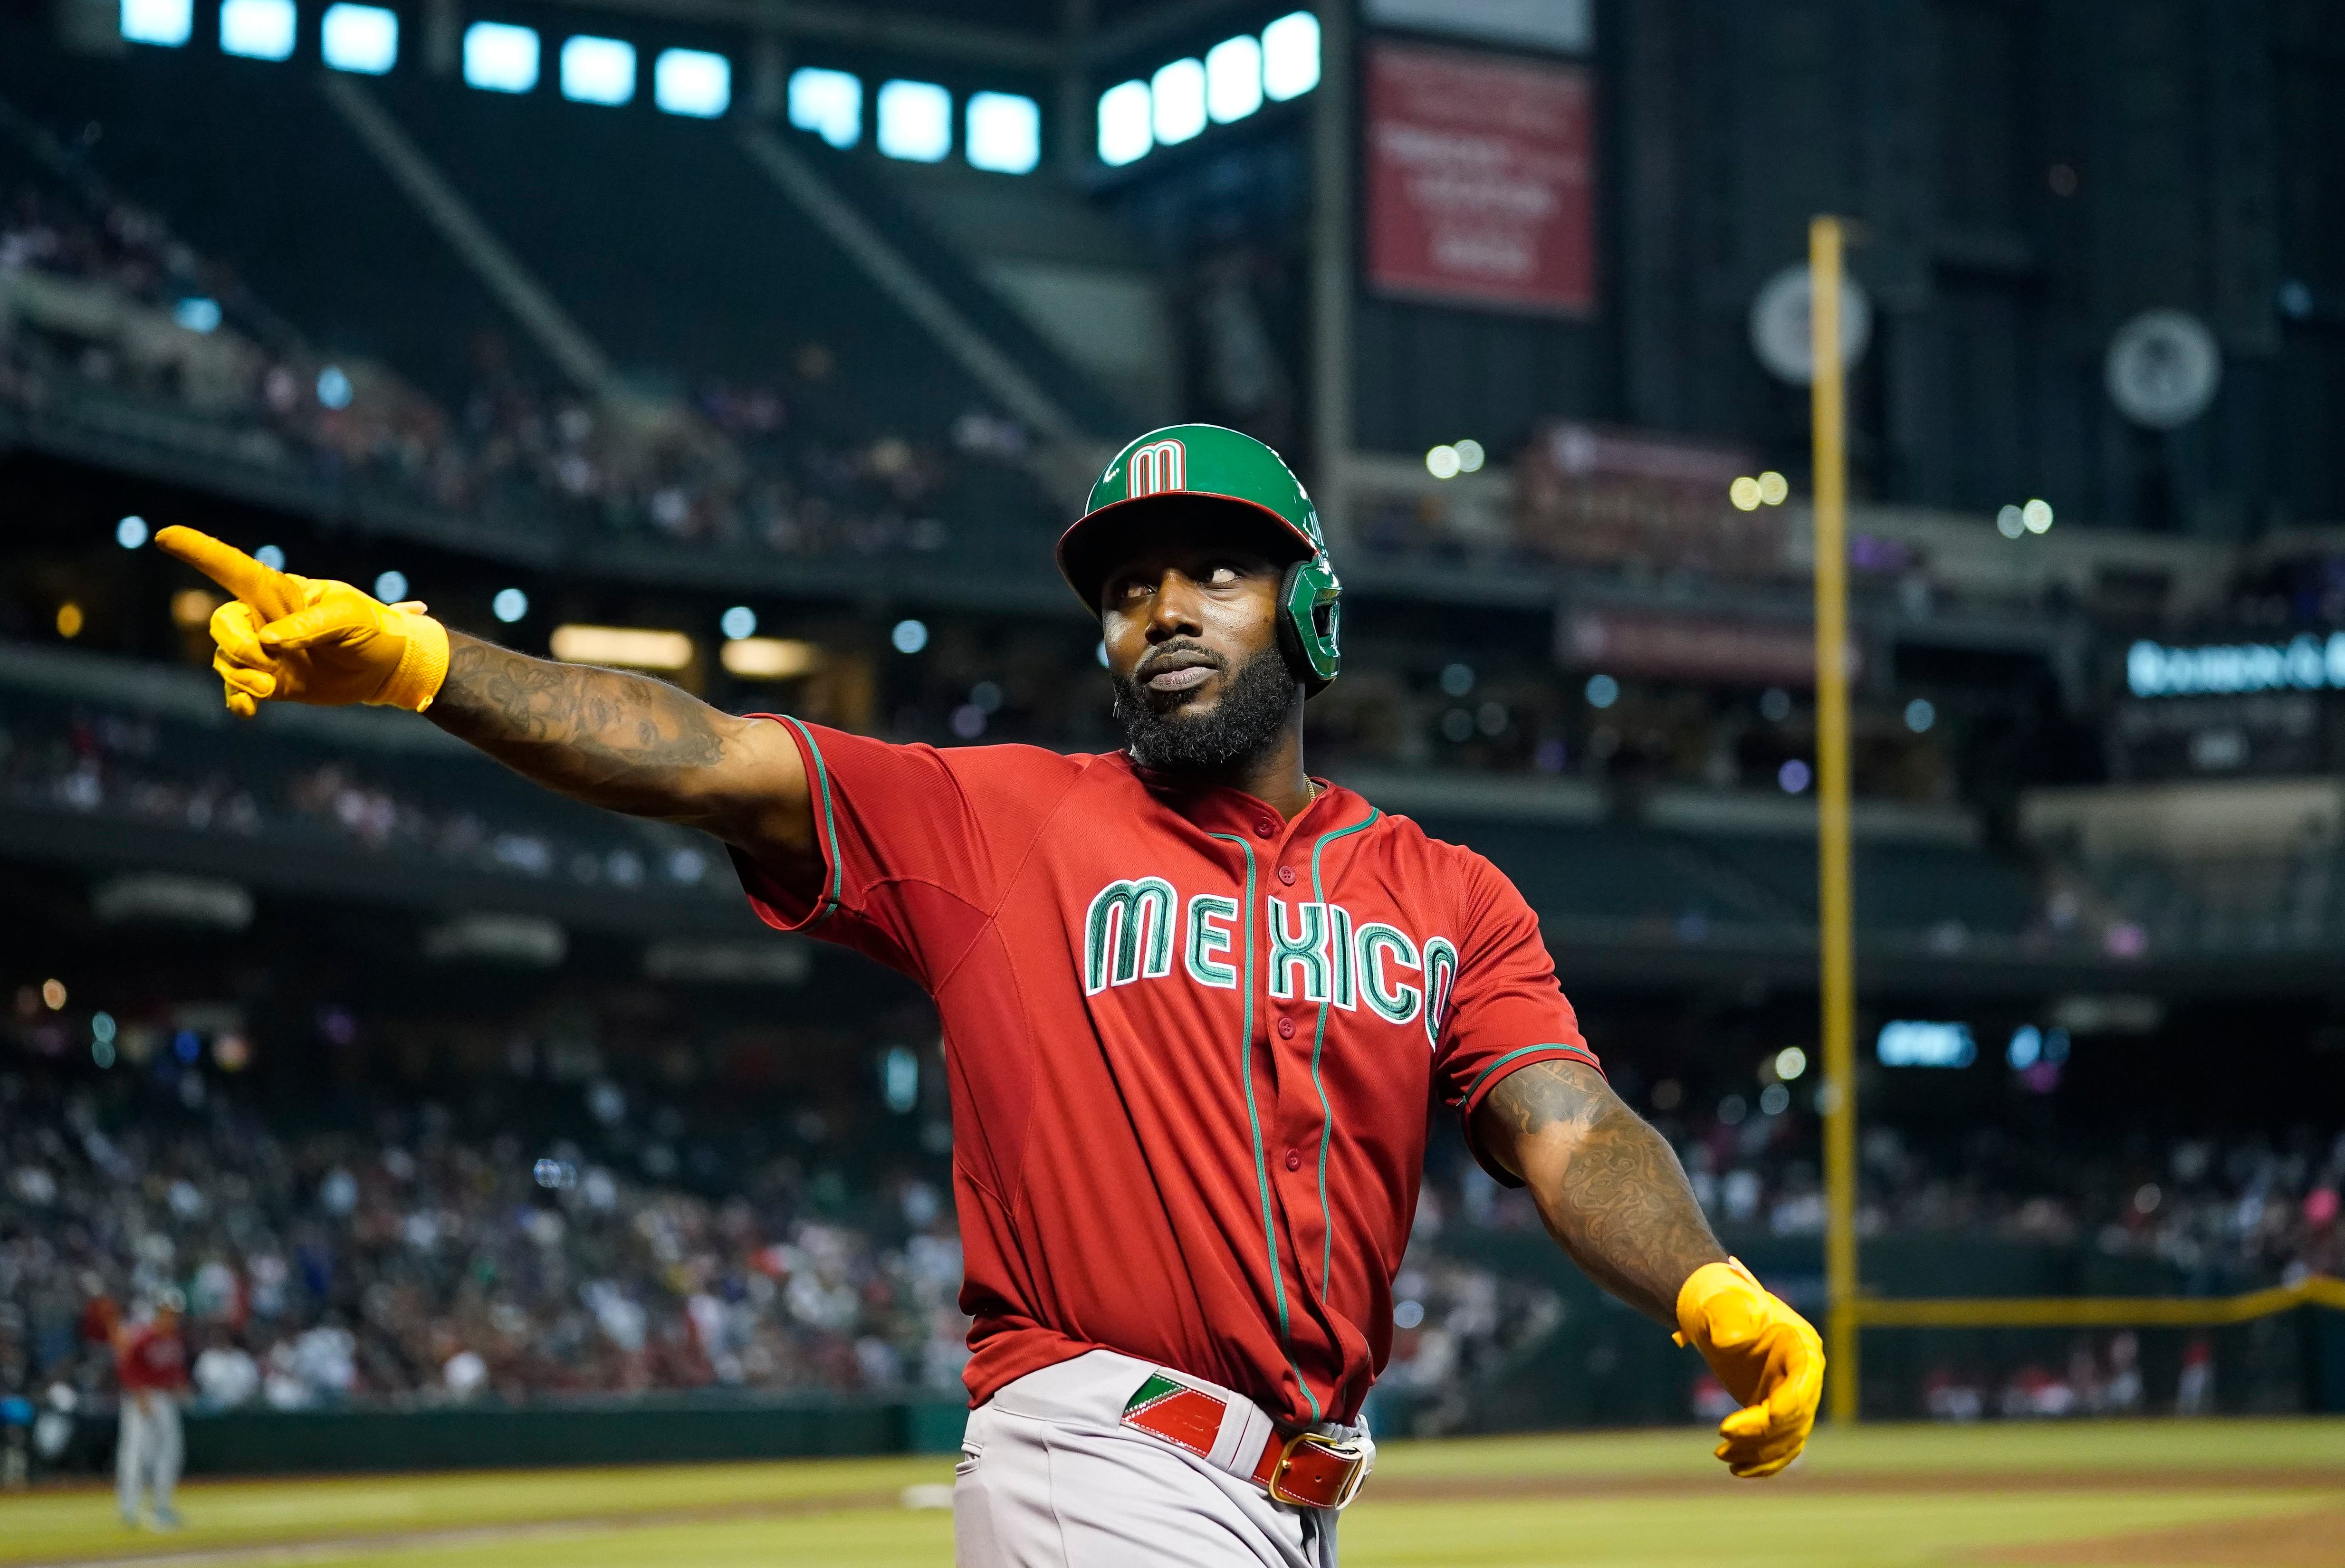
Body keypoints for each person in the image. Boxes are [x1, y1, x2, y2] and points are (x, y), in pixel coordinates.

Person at [157, 422, 1823, 1567]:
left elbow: (1568, 1120)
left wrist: (1710, 1284)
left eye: (1213, 574)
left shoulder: (1447, 897)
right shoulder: (1002, 820)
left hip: (1293, 1500)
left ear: (1311, 608)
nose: (1161, 610)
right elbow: (708, 754)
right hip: (1100, 1465)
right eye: (1126, 586)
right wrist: (426, 663)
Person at [112, 1294, 188, 1529]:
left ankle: (161, 1506)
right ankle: (129, 1510)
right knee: (136, 1455)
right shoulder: (144, 1337)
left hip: (164, 1399)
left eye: (175, 1314)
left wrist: (180, 1387)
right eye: (168, 1312)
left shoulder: (173, 1339)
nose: (172, 1317)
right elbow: (126, 1368)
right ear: (159, 1312)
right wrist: (139, 1394)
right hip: (141, 1399)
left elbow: (174, 1371)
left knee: (170, 1453)